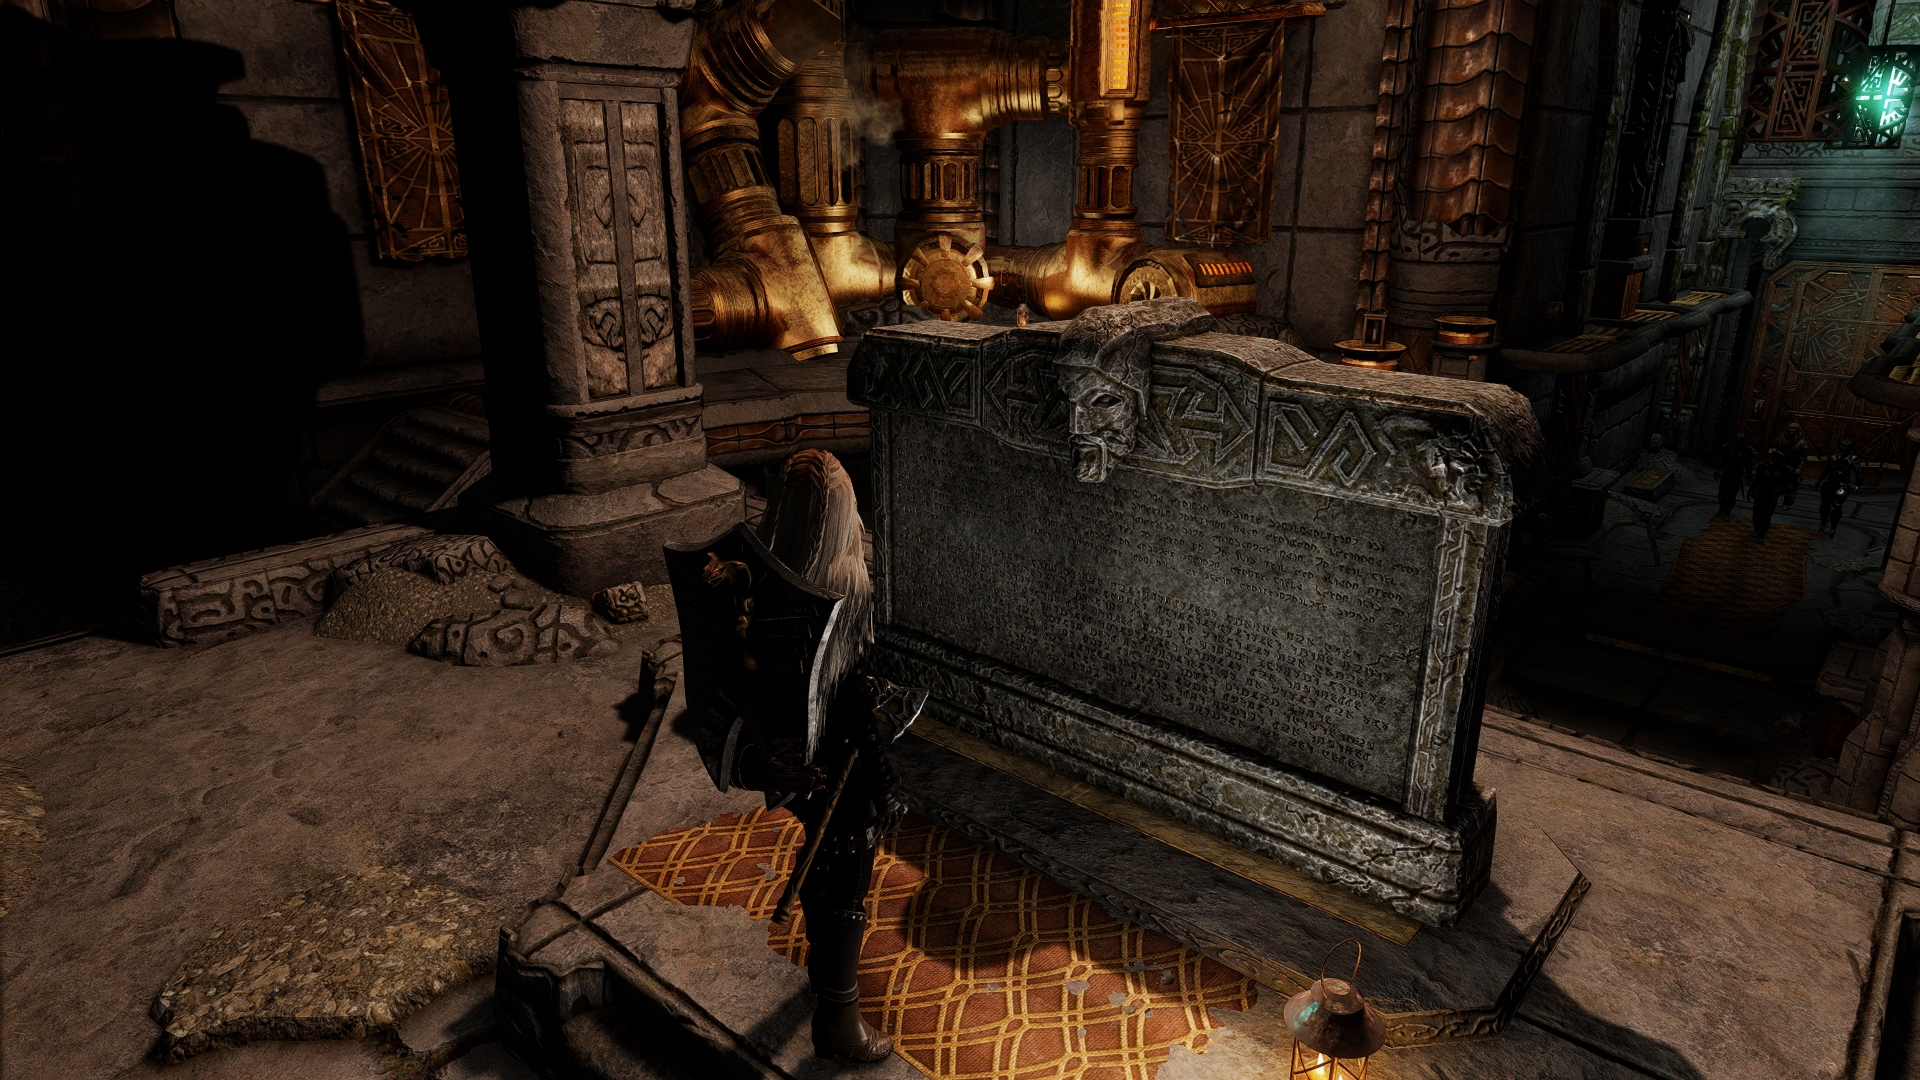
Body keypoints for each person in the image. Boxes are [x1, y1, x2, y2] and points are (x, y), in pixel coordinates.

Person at [729, 449, 907, 1063]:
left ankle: (826, 985)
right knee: (845, 883)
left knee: (818, 866)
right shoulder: (844, 587)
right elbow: (853, 702)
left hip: (793, 763)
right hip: (838, 769)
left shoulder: (759, 577)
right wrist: (886, 785)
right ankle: (839, 1020)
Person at [1817, 439, 1864, 537]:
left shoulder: (1852, 459)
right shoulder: (1835, 457)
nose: (1843, 450)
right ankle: (1823, 524)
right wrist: (1819, 479)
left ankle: (1833, 528)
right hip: (1830, 484)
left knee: (1836, 507)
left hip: (1842, 485)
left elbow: (1859, 472)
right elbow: (1827, 469)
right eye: (1842, 448)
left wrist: (1858, 485)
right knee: (1824, 506)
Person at [1751, 447, 1797, 543]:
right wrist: (1751, 490)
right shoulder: (1763, 466)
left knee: (1767, 516)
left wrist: (1790, 495)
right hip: (1761, 493)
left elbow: (1787, 484)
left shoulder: (1785, 469)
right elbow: (1756, 480)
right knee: (1756, 515)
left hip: (1772, 495)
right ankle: (1756, 529)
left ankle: (1761, 535)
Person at [1716, 432, 1758, 522]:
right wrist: (1717, 470)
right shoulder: (1727, 447)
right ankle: (1722, 507)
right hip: (1727, 472)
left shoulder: (1747, 449)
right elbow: (1721, 459)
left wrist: (1749, 475)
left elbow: (1749, 464)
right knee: (1721, 494)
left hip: (1737, 475)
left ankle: (1727, 513)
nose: (1738, 442)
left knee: (1732, 496)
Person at [1773, 422, 1812, 506]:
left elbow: (1802, 457)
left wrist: (1799, 468)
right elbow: (1777, 452)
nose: (1791, 432)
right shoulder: (1783, 439)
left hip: (1793, 465)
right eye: (1790, 430)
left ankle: (1786, 503)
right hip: (1782, 464)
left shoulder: (1801, 442)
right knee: (1776, 484)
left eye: (1793, 430)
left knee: (1791, 486)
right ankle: (1773, 501)